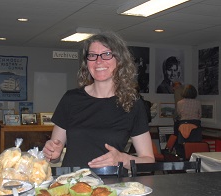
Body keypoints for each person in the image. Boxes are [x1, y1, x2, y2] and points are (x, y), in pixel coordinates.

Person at [42, 32, 155, 169]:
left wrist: (122, 158)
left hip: (111, 187)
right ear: (86, 62)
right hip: (71, 185)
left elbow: (148, 161)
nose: (98, 61)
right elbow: (54, 155)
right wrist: (53, 153)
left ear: (120, 61)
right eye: (92, 55)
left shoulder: (132, 103)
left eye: (107, 54)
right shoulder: (71, 99)